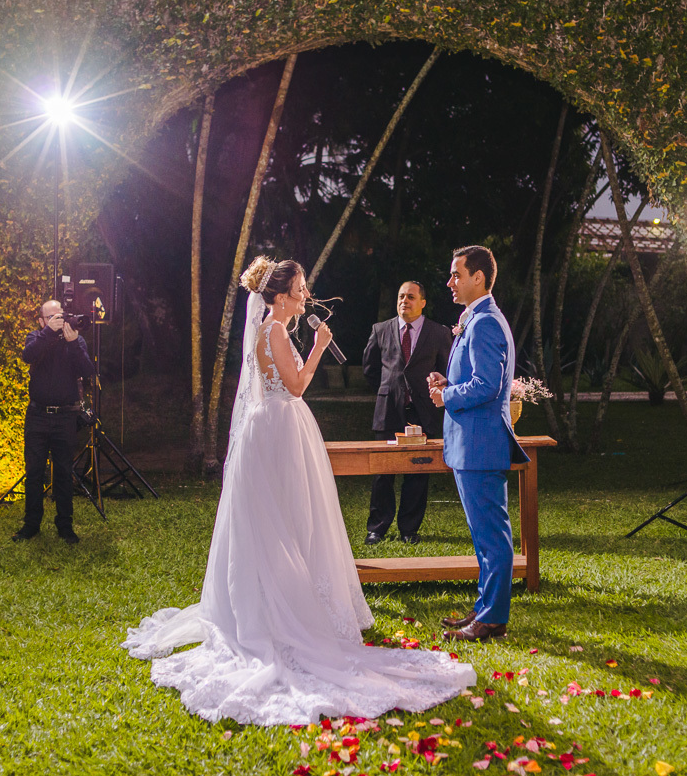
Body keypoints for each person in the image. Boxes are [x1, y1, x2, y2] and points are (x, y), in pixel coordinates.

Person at [122, 256, 475, 725]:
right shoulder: (274, 331)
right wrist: (319, 346)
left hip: (272, 432)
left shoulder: (270, 329)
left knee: (282, 522)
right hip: (276, 434)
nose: (307, 295)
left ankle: (278, 601)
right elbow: (296, 387)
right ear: (282, 296)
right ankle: (281, 611)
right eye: (302, 288)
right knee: (281, 525)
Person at [427, 246, 528, 642]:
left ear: (479, 278)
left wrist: (447, 397)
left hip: (481, 443)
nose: (450, 282)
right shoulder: (479, 319)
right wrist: (448, 383)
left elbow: (487, 385)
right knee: (483, 535)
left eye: (456, 274)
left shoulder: (486, 323)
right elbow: (478, 378)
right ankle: (485, 609)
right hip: (472, 442)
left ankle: (492, 620)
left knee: (492, 536)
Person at [361, 281, 453, 545]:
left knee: (417, 473)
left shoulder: (438, 333)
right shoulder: (380, 330)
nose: (405, 301)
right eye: (401, 296)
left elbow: (448, 371)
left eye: (411, 297)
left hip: (423, 412)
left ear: (422, 302)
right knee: (382, 473)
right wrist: (389, 391)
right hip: (388, 411)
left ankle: (409, 529)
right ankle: (377, 529)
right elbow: (370, 370)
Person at [13, 299, 96, 545]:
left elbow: (87, 370)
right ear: (42, 321)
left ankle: (65, 526)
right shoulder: (35, 337)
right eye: (52, 318)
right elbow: (28, 356)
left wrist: (72, 344)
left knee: (63, 473)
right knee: (34, 472)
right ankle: (31, 525)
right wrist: (49, 333)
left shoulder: (76, 340)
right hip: (37, 416)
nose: (59, 320)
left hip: (65, 417)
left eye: (60, 315)